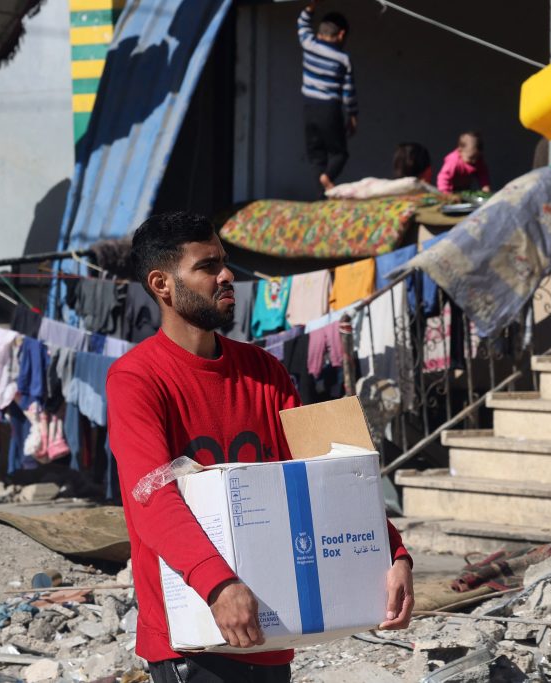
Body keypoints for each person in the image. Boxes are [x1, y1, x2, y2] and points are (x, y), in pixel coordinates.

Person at [107, 212, 415, 683]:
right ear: (161, 284)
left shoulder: (264, 371)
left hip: (274, 627)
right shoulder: (136, 379)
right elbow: (151, 499)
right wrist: (218, 584)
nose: (226, 276)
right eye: (207, 266)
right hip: (194, 637)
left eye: (224, 262)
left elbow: (326, 473)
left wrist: (393, 553)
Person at [298, 1, 358, 193]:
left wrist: (310, 7)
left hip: (309, 107)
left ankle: (321, 195)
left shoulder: (309, 44)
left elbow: (302, 24)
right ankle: (328, 177)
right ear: (341, 35)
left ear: (320, 32)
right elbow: (348, 92)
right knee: (339, 153)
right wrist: (352, 115)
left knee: (316, 156)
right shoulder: (343, 59)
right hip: (330, 109)